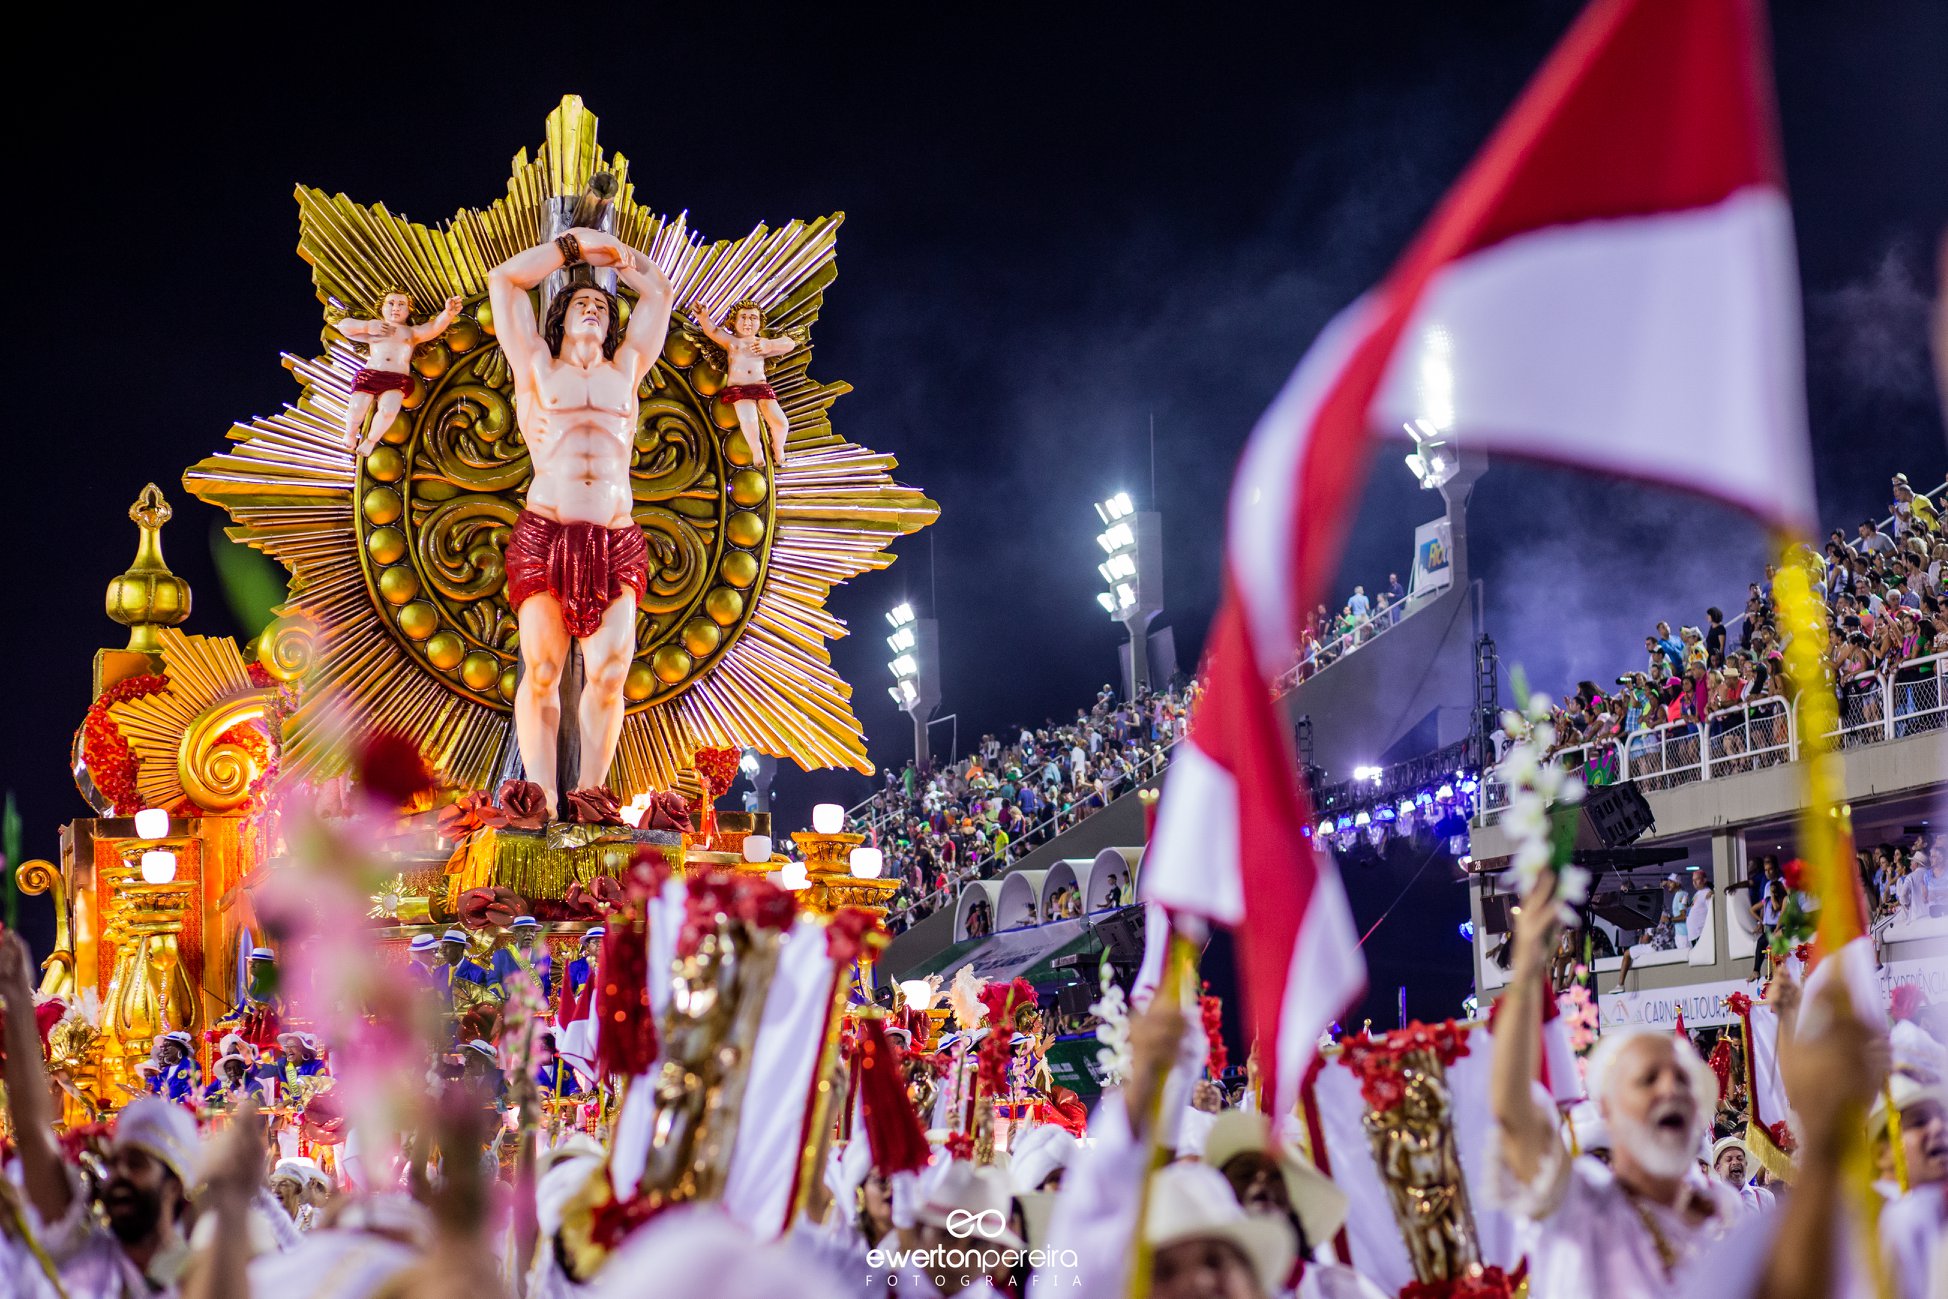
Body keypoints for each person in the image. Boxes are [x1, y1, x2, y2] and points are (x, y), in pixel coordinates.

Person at [488, 224, 675, 820]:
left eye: (601, 304)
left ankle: (591, 797)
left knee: (612, 672)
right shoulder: (536, 367)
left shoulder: (628, 371)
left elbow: (660, 295)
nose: (593, 309)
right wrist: (575, 247)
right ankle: (539, 799)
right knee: (541, 670)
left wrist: (622, 257)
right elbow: (505, 280)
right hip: (547, 531)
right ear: (561, 318)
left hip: (616, 536)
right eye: (581, 302)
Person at [1491, 877, 1742, 1296]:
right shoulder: (1584, 1199)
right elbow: (1515, 1114)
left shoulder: (1722, 1209)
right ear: (1608, 1108)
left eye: (1682, 1079)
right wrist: (1529, 970)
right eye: (1648, 1078)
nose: (1671, 1089)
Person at [336, 288, 464, 455]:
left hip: (396, 379)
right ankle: (350, 433)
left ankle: (370, 440)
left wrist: (448, 313)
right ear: (381, 307)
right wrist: (367, 326)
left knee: (389, 411)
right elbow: (343, 326)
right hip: (372, 374)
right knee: (356, 408)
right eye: (391, 303)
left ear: (409, 310)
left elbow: (433, 328)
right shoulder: (375, 329)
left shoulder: (411, 332)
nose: (395, 308)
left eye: (401, 304)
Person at [689, 300, 800, 467]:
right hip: (739, 389)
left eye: (753, 318)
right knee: (749, 421)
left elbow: (789, 343)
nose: (748, 322)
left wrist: (769, 344)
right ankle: (756, 450)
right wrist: (704, 317)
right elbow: (712, 331)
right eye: (743, 317)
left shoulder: (761, 343)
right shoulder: (732, 342)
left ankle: (778, 447)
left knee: (781, 423)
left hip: (760, 387)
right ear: (733, 321)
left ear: (760, 322)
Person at [1709, 1134, 1773, 1216]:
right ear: (1718, 1168)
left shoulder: (1765, 1196)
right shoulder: (1710, 1198)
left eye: (1740, 1158)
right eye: (1729, 1159)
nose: (1735, 1162)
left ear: (1746, 1164)